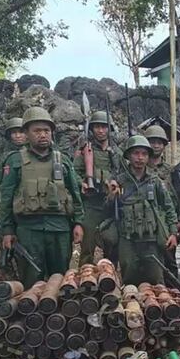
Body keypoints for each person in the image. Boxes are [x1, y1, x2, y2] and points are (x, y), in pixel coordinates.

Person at [0, 107, 85, 286]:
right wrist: (7, 230)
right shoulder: (15, 161)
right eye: (37, 131)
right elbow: (6, 198)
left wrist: (78, 223)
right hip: (29, 230)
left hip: (60, 230)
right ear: (26, 134)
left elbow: (75, 194)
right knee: (31, 280)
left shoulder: (63, 161)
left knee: (61, 280)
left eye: (46, 130)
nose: (43, 135)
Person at [112, 135, 178, 285]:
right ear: (128, 155)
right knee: (129, 280)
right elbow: (108, 210)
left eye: (144, 154)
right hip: (127, 239)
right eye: (136, 153)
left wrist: (173, 233)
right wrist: (111, 195)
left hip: (151, 240)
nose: (140, 158)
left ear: (148, 157)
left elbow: (169, 208)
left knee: (156, 280)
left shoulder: (154, 181)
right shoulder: (119, 181)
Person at [73, 110, 122, 265]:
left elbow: (124, 175)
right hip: (91, 204)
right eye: (97, 127)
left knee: (111, 244)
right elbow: (74, 173)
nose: (101, 131)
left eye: (104, 127)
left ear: (110, 129)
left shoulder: (116, 153)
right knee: (87, 247)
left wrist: (116, 185)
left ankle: (109, 278)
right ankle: (86, 280)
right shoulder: (85, 151)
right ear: (91, 129)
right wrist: (82, 182)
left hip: (110, 204)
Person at [145, 124, 180, 277]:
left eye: (159, 142)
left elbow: (179, 195)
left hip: (168, 221)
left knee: (170, 260)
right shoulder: (140, 168)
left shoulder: (171, 170)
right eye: (152, 141)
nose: (155, 145)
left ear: (164, 145)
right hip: (147, 221)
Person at [0, 117, 26, 200]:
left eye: (21, 132)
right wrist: (5, 202)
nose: (18, 136)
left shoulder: (36, 153)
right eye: (14, 133)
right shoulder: (4, 158)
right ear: (9, 135)